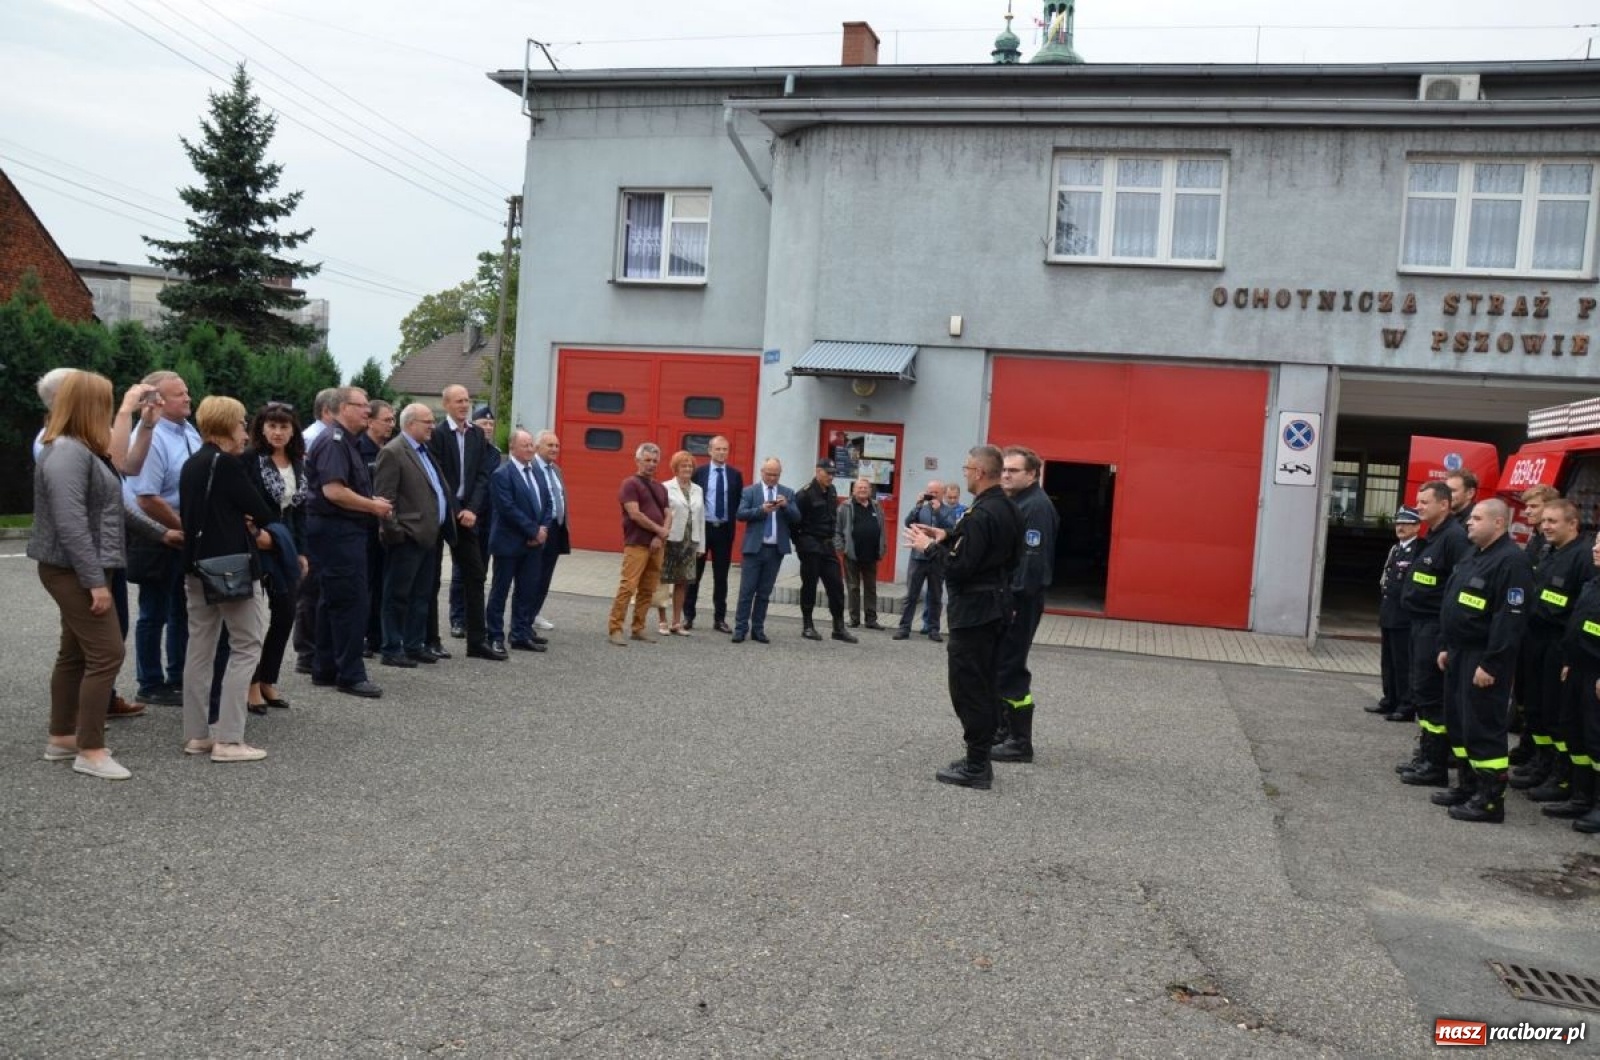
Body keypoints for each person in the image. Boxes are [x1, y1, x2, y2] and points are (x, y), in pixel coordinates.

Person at [30, 371, 136, 779]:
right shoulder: (68, 453)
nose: (109, 410)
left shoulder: (82, 450)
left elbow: (113, 508)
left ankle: (62, 738)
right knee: (107, 652)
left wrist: (165, 533)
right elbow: (70, 522)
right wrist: (94, 582)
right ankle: (90, 748)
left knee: (74, 653)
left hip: (83, 566)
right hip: (74, 569)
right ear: (90, 405)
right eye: (106, 402)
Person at [905, 445, 1022, 790]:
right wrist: (948, 537)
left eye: (968, 468)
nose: (966, 473)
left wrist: (930, 550)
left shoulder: (981, 513)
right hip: (998, 604)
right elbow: (987, 552)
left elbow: (959, 568)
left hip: (975, 611)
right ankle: (979, 756)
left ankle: (976, 765)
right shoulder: (1007, 508)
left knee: (969, 687)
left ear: (981, 473)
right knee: (985, 683)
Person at [178, 395, 281, 763]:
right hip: (232, 568)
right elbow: (264, 510)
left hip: (196, 566)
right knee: (247, 645)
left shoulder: (193, 463)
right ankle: (230, 738)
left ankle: (197, 734)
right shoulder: (227, 465)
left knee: (200, 648)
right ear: (227, 425)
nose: (244, 430)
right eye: (241, 423)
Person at [1433, 499, 1533, 822]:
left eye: (1477, 518)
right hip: (1460, 652)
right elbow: (1457, 602)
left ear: (1499, 523)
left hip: (1484, 657)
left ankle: (1490, 801)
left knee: (1483, 726)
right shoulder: (1474, 555)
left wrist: (1492, 664)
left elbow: (1510, 620)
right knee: (1460, 722)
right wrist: (1448, 645)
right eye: (1470, 518)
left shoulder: (1511, 561)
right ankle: (1468, 786)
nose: (1469, 523)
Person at [304, 387, 392, 697]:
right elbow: (334, 492)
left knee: (333, 601)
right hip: (337, 531)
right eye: (362, 405)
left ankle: (326, 667)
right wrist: (372, 506)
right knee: (351, 603)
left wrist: (369, 499)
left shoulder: (347, 442)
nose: (368, 410)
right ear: (342, 408)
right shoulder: (334, 441)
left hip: (340, 531)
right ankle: (350, 674)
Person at [129, 370, 201, 707]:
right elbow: (146, 496)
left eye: (186, 392)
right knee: (154, 610)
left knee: (181, 608)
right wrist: (180, 528)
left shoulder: (188, 430)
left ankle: (178, 675)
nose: (187, 398)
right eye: (178, 394)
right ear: (156, 401)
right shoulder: (153, 436)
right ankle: (150, 681)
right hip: (158, 533)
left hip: (184, 532)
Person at [1517, 500, 1594, 809]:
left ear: (1572, 524)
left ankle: (1562, 775)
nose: (1545, 526)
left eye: (1553, 521)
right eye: (1544, 520)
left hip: (1558, 643)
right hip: (1536, 639)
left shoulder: (1582, 558)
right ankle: (1542, 763)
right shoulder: (1547, 551)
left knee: (1556, 714)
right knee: (1535, 707)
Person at [1397, 481, 1474, 787]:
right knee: (1421, 692)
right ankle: (1426, 755)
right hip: (1419, 625)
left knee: (1432, 694)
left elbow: (1457, 587)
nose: (1418, 507)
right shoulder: (1434, 536)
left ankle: (1436, 764)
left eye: (1425, 502)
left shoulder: (1454, 538)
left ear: (1444, 504)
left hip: (1434, 627)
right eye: (1418, 501)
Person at [991, 445, 1060, 763]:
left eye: (1013, 470)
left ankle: (1020, 741)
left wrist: (1015, 601)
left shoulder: (1036, 507)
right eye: (1003, 469)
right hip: (1011, 597)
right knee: (1001, 664)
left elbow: (1032, 563)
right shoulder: (1017, 501)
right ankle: (1004, 731)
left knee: (1011, 666)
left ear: (1032, 474)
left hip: (1021, 600)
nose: (1005, 474)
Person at [425, 384, 501, 661]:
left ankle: (477, 641)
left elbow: (482, 475)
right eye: (458, 401)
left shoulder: (477, 434)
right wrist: (457, 510)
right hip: (442, 513)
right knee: (431, 577)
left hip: (468, 515)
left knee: (475, 573)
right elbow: (438, 475)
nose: (463, 405)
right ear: (445, 404)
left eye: (467, 400)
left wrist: (471, 509)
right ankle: (430, 639)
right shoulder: (437, 435)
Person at [373, 404, 453, 668]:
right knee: (397, 595)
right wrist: (397, 533)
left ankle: (413, 644)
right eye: (427, 421)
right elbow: (385, 498)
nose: (433, 425)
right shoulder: (393, 452)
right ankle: (392, 647)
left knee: (421, 595)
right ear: (410, 424)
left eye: (433, 421)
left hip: (429, 537)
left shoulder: (423, 451)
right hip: (407, 538)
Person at [241, 403, 308, 714]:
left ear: (293, 430)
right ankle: (250, 684)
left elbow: (300, 511)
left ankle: (268, 679)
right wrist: (258, 534)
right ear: (261, 429)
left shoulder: (297, 461)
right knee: (253, 618)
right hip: (258, 542)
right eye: (272, 426)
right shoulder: (249, 460)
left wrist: (302, 551)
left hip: (287, 544)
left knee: (284, 612)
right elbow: (241, 505)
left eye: (284, 427)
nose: (278, 432)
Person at [485, 429, 551, 654]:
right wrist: (533, 531)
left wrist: (543, 528)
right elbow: (508, 509)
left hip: (533, 545)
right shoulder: (502, 474)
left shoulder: (537, 472)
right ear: (512, 447)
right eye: (525, 445)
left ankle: (520, 633)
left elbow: (548, 502)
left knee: (527, 590)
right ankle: (494, 635)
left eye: (532, 444)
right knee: (500, 591)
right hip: (509, 543)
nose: (531, 448)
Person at [292, 387, 343, 673]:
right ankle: (306, 651)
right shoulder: (314, 439)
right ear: (327, 411)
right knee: (309, 590)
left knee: (319, 588)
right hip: (313, 520)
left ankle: (317, 647)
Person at [608, 443, 671, 646]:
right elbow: (635, 514)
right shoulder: (630, 484)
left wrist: (660, 536)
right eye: (647, 460)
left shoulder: (661, 488)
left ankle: (638, 628)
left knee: (648, 588)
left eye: (655, 461)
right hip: (636, 544)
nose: (651, 464)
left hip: (656, 545)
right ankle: (615, 628)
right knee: (628, 587)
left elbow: (668, 514)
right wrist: (659, 530)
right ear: (637, 461)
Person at [732, 457, 799, 644]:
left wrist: (786, 506)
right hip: (754, 548)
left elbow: (797, 517)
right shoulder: (750, 491)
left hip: (775, 549)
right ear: (762, 472)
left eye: (775, 475)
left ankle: (758, 629)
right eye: (769, 474)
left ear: (780, 474)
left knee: (764, 593)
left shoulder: (787, 492)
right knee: (746, 591)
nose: (771, 478)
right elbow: (740, 514)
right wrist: (761, 510)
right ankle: (740, 628)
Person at [1558, 536, 1600, 833]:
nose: (1595, 549)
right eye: (1596, 543)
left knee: (1597, 739)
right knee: (1576, 732)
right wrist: (1570, 660)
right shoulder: (1592, 583)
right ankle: (1581, 796)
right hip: (1579, 668)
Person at [792, 460, 858, 644]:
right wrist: (801, 545)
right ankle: (808, 625)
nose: (830, 476)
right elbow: (793, 523)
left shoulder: (832, 491)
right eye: (827, 473)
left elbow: (832, 518)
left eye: (833, 473)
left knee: (836, 586)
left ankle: (838, 628)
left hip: (827, 546)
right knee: (810, 586)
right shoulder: (804, 494)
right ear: (818, 471)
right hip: (810, 545)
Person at [450, 404, 501, 639]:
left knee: (479, 571)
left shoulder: (494, 453)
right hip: (469, 516)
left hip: (488, 518)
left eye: (491, 424)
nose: (488, 428)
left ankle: (474, 619)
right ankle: (458, 618)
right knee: (462, 571)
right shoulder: (468, 448)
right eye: (483, 424)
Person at [686, 435, 743, 633]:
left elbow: (737, 503)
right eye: (718, 449)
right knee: (694, 575)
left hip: (724, 531)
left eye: (725, 449)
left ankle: (719, 619)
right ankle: (688, 616)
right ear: (710, 451)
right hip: (703, 530)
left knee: (721, 577)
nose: (721, 453)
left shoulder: (735, 475)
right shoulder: (699, 473)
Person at [1371, 506, 1422, 722]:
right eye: (1398, 523)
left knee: (1403, 663)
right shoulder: (1396, 549)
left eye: (1406, 524)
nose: (1400, 527)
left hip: (1404, 616)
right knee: (1388, 661)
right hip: (1389, 612)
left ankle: (1405, 704)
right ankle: (1389, 699)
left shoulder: (1419, 550)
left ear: (1417, 526)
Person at [895, 480, 954, 642]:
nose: (932, 495)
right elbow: (908, 522)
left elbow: (951, 529)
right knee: (911, 595)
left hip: (937, 558)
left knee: (935, 595)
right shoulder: (921, 509)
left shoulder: (948, 511)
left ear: (942, 494)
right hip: (918, 558)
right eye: (930, 492)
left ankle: (933, 628)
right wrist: (917, 505)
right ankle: (904, 627)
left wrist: (937, 513)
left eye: (936, 492)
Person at [359, 399, 396, 655]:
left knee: (382, 582)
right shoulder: (360, 449)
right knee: (366, 583)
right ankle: (362, 635)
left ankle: (376, 635)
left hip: (385, 526)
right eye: (387, 420)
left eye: (394, 420)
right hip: (365, 526)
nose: (391, 425)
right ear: (370, 421)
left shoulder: (389, 449)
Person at [526, 429, 568, 636]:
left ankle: (535, 613)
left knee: (545, 576)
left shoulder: (556, 470)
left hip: (555, 530)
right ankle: (524, 617)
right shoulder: (531, 468)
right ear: (537, 447)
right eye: (549, 445)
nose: (554, 449)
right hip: (536, 530)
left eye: (557, 446)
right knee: (531, 575)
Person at [662, 450, 706, 635]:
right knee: (663, 581)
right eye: (683, 466)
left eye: (690, 466)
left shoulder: (698, 489)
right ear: (675, 468)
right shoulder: (665, 487)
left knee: (682, 582)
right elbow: (662, 515)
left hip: (690, 542)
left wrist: (701, 545)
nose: (687, 469)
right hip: (671, 540)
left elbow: (701, 518)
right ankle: (662, 621)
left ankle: (676, 622)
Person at [834, 477, 887, 630]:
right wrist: (842, 548)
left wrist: (882, 547)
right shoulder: (845, 507)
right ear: (853, 490)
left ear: (870, 490)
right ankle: (854, 619)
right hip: (852, 554)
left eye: (866, 488)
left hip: (871, 554)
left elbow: (882, 529)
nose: (863, 490)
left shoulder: (876, 506)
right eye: (859, 488)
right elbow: (837, 530)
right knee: (853, 587)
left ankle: (871, 620)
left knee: (871, 588)